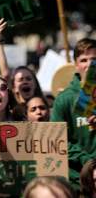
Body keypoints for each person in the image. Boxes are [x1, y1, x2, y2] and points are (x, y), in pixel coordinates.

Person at [51, 38, 96, 191]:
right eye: (84, 60)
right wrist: (89, 163)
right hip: (77, 183)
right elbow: (58, 142)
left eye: (94, 59)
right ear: (76, 66)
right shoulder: (64, 99)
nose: (89, 64)